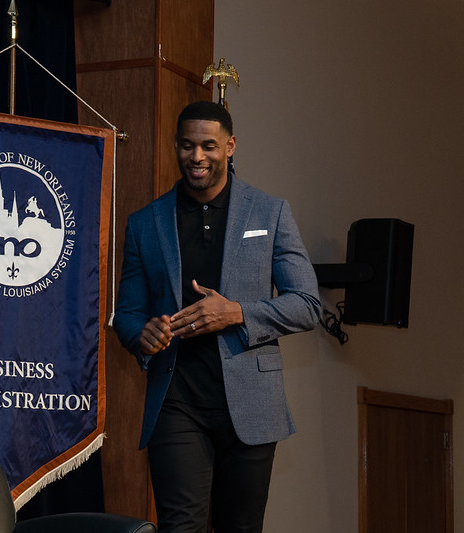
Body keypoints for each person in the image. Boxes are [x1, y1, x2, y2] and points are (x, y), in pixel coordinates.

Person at [112, 101, 321, 533]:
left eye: (209, 146)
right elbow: (128, 313)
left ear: (230, 146)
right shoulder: (145, 223)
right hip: (176, 400)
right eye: (187, 146)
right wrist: (142, 333)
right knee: (180, 525)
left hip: (251, 402)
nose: (197, 157)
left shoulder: (270, 212)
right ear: (176, 146)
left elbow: (307, 303)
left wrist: (236, 312)